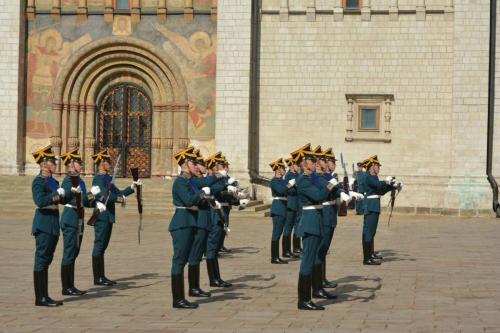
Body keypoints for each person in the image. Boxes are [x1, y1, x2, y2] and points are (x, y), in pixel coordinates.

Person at [295, 149, 348, 310]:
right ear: (304, 164)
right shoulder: (303, 180)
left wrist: (345, 190)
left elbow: (325, 186)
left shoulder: (312, 178)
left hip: (316, 220)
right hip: (310, 222)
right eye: (312, 161)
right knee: (308, 261)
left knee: (311, 259)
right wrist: (332, 185)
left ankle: (308, 297)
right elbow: (319, 196)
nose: (315, 164)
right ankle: (303, 300)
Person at [90, 150, 138, 286]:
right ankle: (97, 277)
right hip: (101, 215)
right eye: (108, 162)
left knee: (103, 246)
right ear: (101, 164)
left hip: (108, 215)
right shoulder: (98, 179)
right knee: (99, 245)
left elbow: (119, 192)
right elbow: (106, 196)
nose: (110, 164)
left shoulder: (107, 179)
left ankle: (101, 276)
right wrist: (119, 199)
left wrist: (132, 187)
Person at [59, 147, 100, 296]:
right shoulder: (68, 180)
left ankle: (71, 285)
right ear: (71, 164)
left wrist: (94, 201)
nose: (82, 165)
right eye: (79, 163)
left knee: (74, 251)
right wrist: (90, 195)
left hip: (79, 217)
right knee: (69, 251)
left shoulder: (80, 180)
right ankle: (66, 287)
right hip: (70, 217)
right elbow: (68, 199)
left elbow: (84, 202)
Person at [31, 145, 66, 307]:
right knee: (41, 260)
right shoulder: (38, 182)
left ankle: (44, 295)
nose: (55, 164)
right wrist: (56, 195)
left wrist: (70, 192)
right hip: (44, 224)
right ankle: (41, 297)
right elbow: (40, 201)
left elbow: (61, 199)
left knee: (47, 260)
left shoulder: (53, 181)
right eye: (52, 162)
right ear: (44, 163)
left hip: (53, 224)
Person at [362, 155, 402, 265]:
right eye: (377, 166)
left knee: (372, 231)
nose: (379, 168)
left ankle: (370, 254)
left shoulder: (373, 177)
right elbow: (378, 185)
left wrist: (392, 186)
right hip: (371, 206)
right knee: (369, 232)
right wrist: (386, 182)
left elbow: (380, 190)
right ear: (372, 167)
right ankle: (367, 258)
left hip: (374, 206)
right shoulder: (368, 177)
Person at [269, 158, 290, 264]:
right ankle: (274, 257)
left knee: (280, 232)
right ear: (278, 170)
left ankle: (276, 256)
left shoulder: (282, 180)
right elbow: (281, 190)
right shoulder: (274, 181)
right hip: (278, 208)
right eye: (283, 169)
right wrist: (290, 185)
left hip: (284, 207)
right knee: (276, 233)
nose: (284, 171)